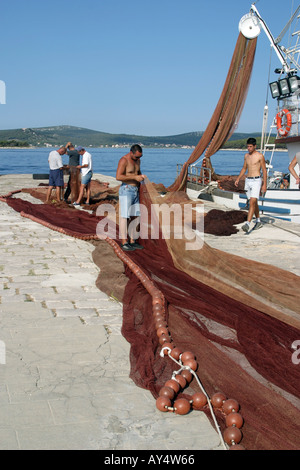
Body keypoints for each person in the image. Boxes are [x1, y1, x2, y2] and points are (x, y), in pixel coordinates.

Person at [116, 144, 146, 251]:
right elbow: (118, 176)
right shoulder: (124, 160)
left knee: (135, 216)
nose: (138, 158)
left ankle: (132, 241)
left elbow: (138, 172)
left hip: (135, 190)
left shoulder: (138, 161)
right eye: (136, 156)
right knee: (124, 216)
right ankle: (124, 242)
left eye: (140, 157)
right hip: (126, 190)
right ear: (131, 152)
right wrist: (134, 177)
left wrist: (142, 177)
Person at [234, 137, 267, 232]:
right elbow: (244, 168)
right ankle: (258, 221)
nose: (249, 148)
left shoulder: (260, 156)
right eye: (248, 146)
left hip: (256, 180)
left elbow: (264, 170)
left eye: (250, 146)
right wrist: (238, 178)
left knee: (252, 201)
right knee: (253, 202)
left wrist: (264, 184)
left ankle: (247, 224)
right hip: (248, 180)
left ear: (255, 146)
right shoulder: (246, 156)